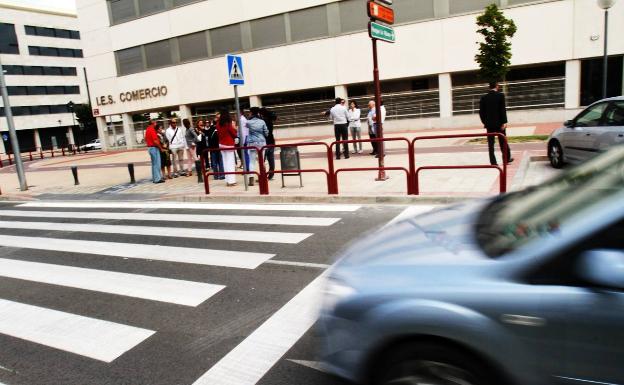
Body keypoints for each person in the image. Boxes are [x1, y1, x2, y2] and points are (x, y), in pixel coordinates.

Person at [479, 82, 513, 165]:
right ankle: (506, 159)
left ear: (489, 87)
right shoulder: (500, 95)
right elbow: (502, 110)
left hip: (489, 125)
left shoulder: (484, 97)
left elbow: (481, 112)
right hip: (500, 124)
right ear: (497, 86)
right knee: (503, 142)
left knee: (491, 145)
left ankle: (493, 162)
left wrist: (485, 122)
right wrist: (504, 122)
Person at [245, 107, 269, 186]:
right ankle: (263, 177)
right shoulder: (262, 121)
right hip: (261, 143)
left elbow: (245, 129)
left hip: (252, 143)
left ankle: (251, 179)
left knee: (252, 161)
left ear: (251, 113)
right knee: (261, 161)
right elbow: (266, 133)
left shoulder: (248, 122)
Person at [217, 109, 238, 186]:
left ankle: (227, 180)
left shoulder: (218, 123)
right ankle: (231, 181)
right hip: (228, 143)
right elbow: (232, 132)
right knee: (230, 162)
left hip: (221, 144)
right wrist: (236, 132)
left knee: (225, 162)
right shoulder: (228, 122)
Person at [260, 107, 277, 180]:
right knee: (271, 159)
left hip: (265, 142)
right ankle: (271, 175)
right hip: (271, 141)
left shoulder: (263, 121)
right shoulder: (270, 120)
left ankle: (263, 176)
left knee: (262, 160)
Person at [206, 114, 224, 180]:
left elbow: (208, 138)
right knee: (220, 162)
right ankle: (222, 175)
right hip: (219, 147)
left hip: (213, 148)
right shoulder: (220, 128)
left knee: (214, 162)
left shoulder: (210, 129)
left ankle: (216, 176)